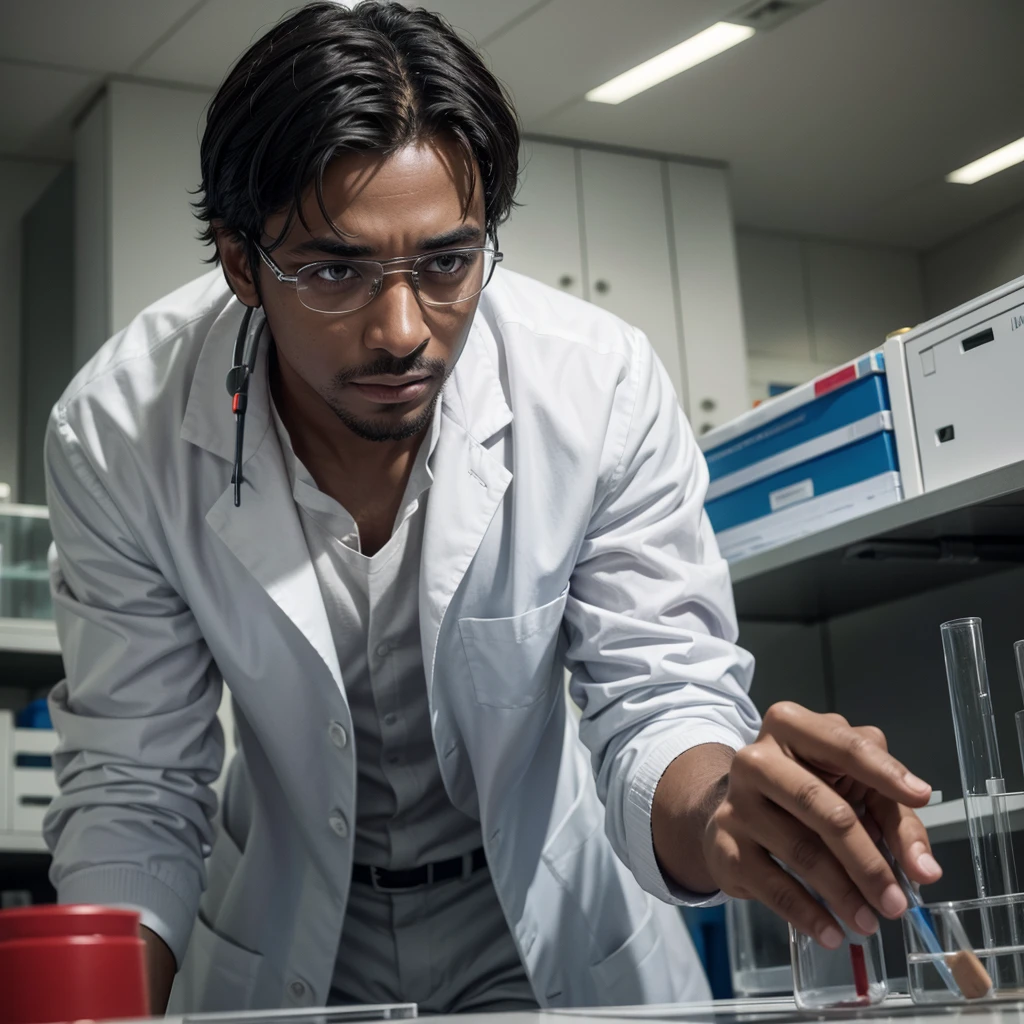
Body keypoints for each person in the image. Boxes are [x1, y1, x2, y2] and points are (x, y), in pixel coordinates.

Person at [43, 1, 941, 1015]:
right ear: (242, 263)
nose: (401, 331)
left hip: (546, 927)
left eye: (445, 264)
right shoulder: (122, 427)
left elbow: (658, 695)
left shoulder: (594, 386)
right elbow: (136, 784)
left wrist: (726, 807)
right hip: (283, 924)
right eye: (335, 270)